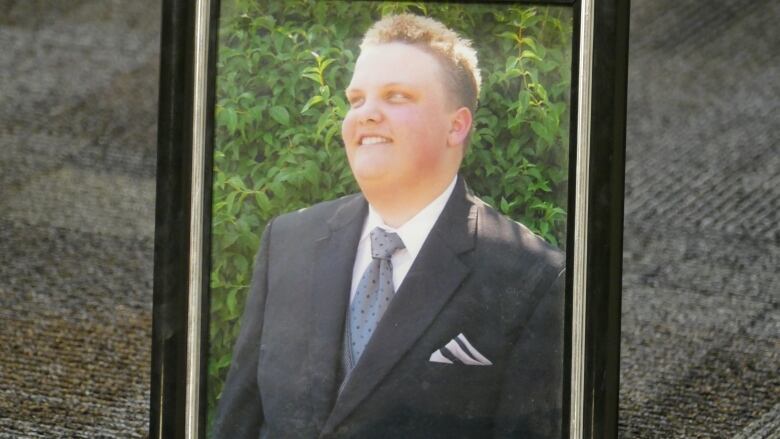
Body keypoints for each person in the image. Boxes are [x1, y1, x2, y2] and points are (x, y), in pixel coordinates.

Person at [214, 13, 564, 439]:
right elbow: (238, 421)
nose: (367, 114)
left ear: (456, 126)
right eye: (356, 99)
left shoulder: (533, 277)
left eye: (396, 96)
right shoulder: (288, 242)